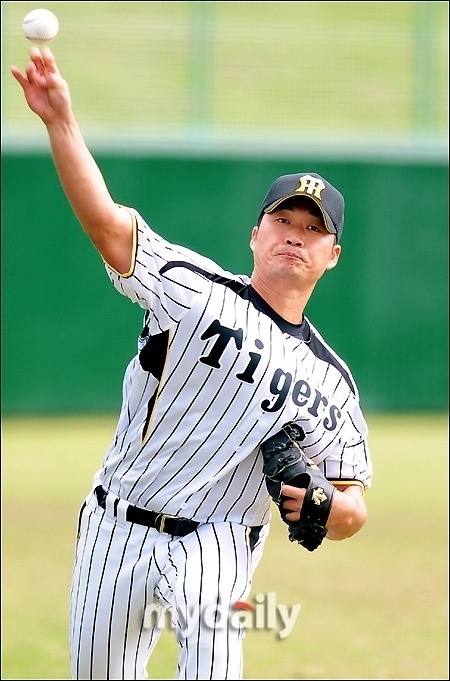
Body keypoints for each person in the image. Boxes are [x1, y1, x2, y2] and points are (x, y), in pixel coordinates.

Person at [11, 47, 373, 681]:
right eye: (281, 219)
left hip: (218, 539)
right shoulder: (193, 289)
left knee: (212, 668)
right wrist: (60, 122)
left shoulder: (330, 382)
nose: (295, 233)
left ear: (332, 254)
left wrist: (323, 505)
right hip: (116, 522)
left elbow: (352, 508)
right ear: (255, 235)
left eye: (312, 229)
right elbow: (105, 225)